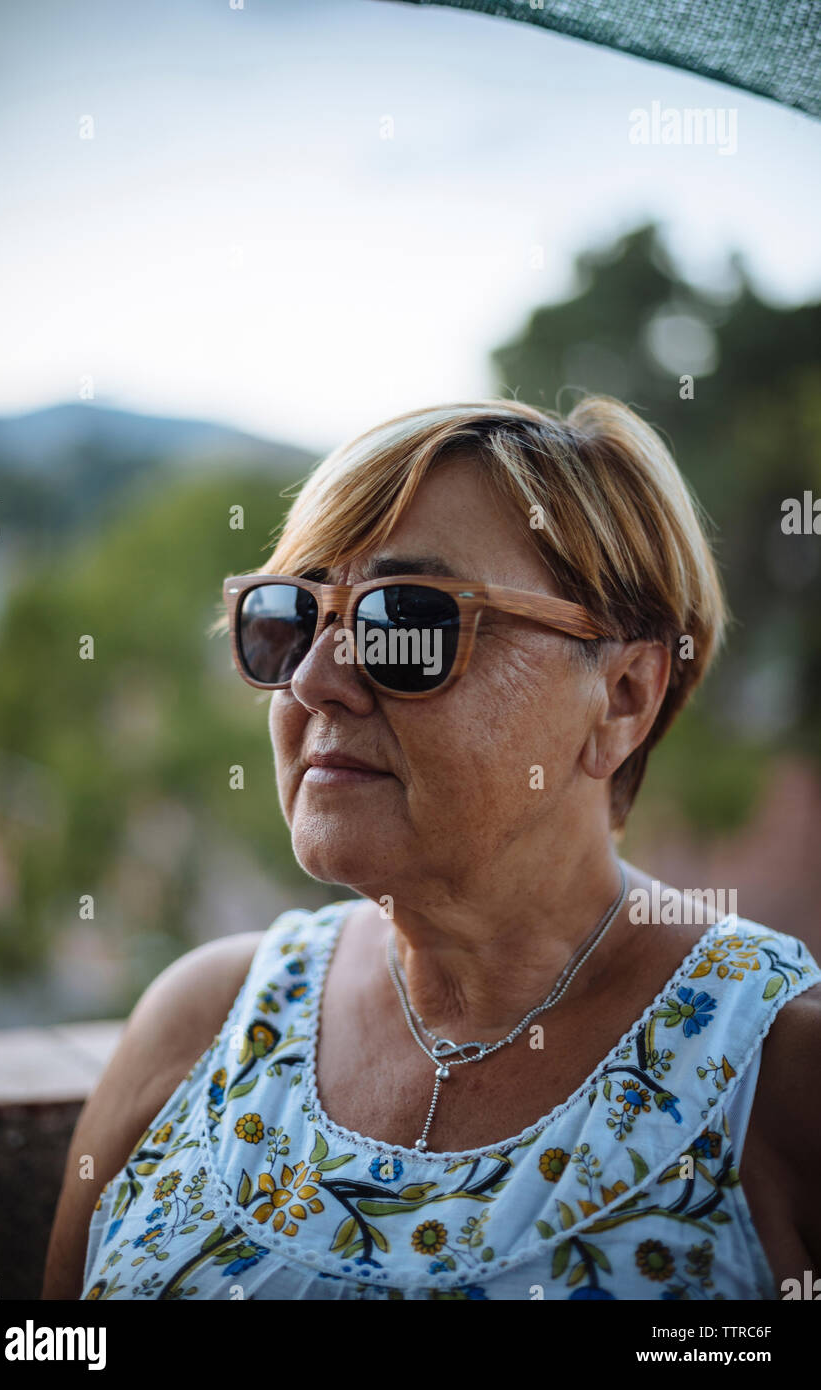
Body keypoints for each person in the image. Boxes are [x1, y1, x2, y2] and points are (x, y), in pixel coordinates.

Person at [43, 396, 820, 1300]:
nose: (315, 680)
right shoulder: (201, 1023)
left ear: (622, 697)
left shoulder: (777, 1081)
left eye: (405, 624)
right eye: (290, 618)